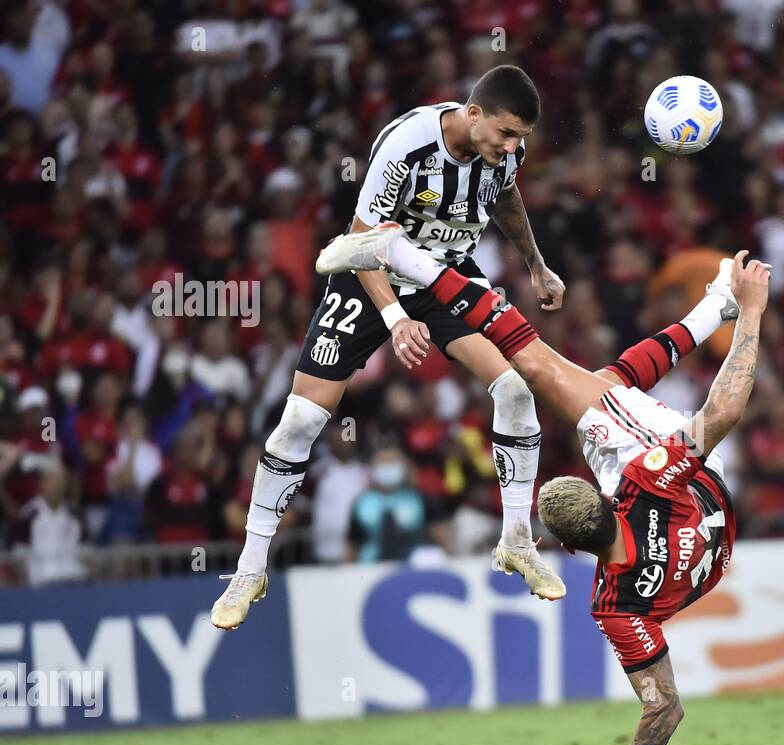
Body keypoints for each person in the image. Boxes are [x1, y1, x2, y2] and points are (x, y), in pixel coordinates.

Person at [317, 223, 766, 745]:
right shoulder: (644, 481)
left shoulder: (614, 606)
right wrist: (752, 312)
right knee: (543, 371)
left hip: (719, 529)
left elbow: (666, 710)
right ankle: (408, 259)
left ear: (576, 551)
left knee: (597, 384)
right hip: (686, 482)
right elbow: (724, 411)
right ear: (604, 501)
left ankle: (713, 306)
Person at [212, 65, 566, 629]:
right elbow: (362, 238)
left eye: (519, 138)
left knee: (517, 388)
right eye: (504, 133)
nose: (512, 146)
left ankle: (518, 542)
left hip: (445, 275)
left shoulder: (505, 155)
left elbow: (505, 198)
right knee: (300, 421)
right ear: (472, 114)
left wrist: (535, 263)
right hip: (368, 272)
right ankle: (249, 570)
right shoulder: (407, 144)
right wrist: (396, 317)